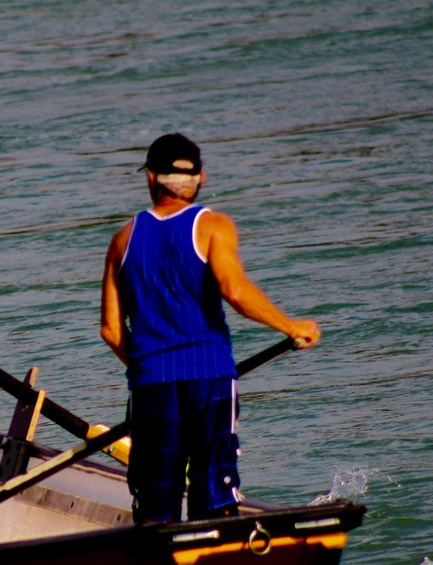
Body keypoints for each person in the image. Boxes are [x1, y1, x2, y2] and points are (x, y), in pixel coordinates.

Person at [100, 133, 320, 524]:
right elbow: (235, 292)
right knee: (213, 492)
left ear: (150, 179)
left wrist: (144, 365)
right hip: (209, 377)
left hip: (149, 384)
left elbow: (112, 331)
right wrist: (291, 326)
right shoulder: (213, 225)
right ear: (200, 178)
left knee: (156, 502)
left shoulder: (122, 240)